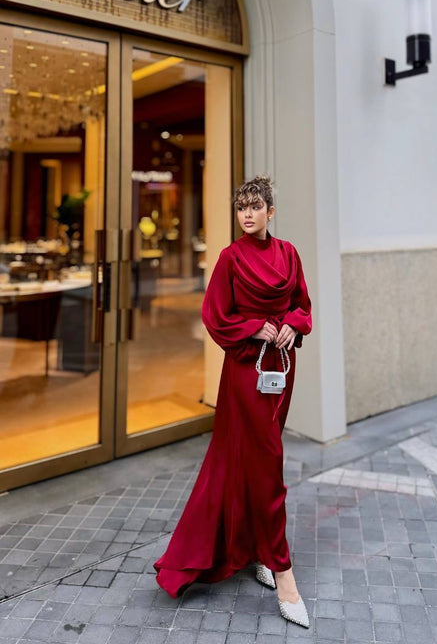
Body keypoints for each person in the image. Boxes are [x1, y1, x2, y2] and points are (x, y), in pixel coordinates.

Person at [153, 176, 312, 628]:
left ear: (270, 212)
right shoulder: (229, 258)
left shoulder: (289, 254)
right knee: (268, 464)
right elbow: (215, 314)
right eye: (241, 207)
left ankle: (258, 550)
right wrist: (254, 327)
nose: (247, 214)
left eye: (255, 206)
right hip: (246, 372)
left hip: (279, 371)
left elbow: (303, 305)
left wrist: (290, 325)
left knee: (253, 464)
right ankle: (283, 572)